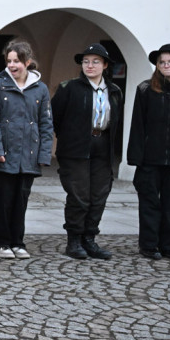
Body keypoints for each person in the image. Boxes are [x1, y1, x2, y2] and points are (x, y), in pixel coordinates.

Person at [51, 44, 123, 260]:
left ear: (105, 65)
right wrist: (68, 138)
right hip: (76, 148)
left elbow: (115, 122)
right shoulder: (69, 88)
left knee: (99, 194)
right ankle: (74, 240)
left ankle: (89, 239)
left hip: (102, 145)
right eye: (86, 61)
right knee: (79, 196)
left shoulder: (115, 91)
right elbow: (54, 118)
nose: (90, 66)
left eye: (95, 61)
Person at [127, 43, 170, 261]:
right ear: (157, 66)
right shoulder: (146, 89)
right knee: (149, 204)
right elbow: (138, 125)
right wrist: (136, 159)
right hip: (150, 159)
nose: (166, 65)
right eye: (162, 62)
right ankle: (148, 245)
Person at [0, 40, 52, 260]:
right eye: (9, 61)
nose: (12, 65)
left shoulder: (40, 88)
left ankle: (18, 242)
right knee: (2, 201)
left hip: (28, 156)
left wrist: (43, 154)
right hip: (4, 155)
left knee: (20, 201)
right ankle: (2, 242)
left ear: (27, 62)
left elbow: (45, 123)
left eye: (17, 61)